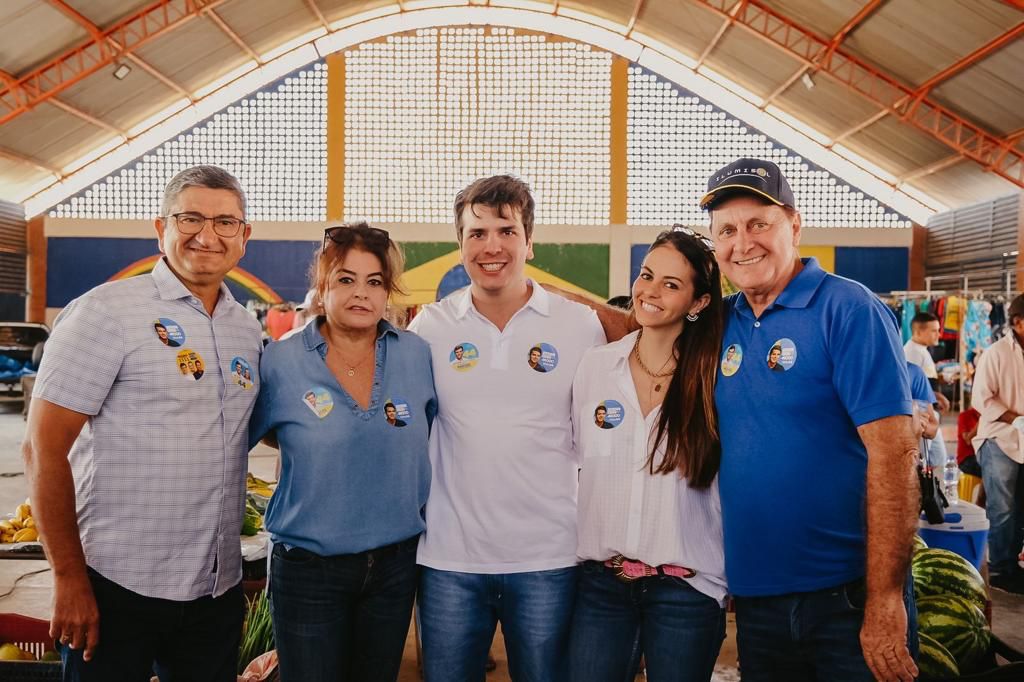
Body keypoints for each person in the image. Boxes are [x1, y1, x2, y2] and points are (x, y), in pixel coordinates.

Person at [22, 165, 261, 680]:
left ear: (244, 236)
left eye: (225, 222)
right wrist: (68, 578)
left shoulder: (245, 328)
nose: (207, 235)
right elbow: (42, 449)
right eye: (190, 218)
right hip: (114, 585)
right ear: (161, 228)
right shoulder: (105, 313)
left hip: (212, 589)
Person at [704, 158, 919, 682]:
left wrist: (886, 597)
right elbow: (636, 322)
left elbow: (896, 454)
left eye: (759, 223)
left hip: (847, 597)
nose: (743, 242)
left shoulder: (849, 310)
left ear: (795, 226)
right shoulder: (718, 325)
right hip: (758, 602)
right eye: (727, 230)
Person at [409, 175, 605, 681]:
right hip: (449, 558)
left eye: (505, 230)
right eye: (476, 233)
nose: (491, 246)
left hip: (549, 557)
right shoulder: (430, 327)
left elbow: (600, 434)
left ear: (528, 241)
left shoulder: (578, 325)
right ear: (459, 245)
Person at [249, 222, 437, 680]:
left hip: (394, 567)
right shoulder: (281, 360)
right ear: (322, 286)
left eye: (374, 282)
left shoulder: (416, 355)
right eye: (345, 280)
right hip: (309, 568)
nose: (361, 294)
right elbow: (257, 434)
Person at [569, 228, 727, 682]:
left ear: (698, 304)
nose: (649, 291)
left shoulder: (715, 379)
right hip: (602, 585)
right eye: (647, 275)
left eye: (671, 285)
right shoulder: (596, 367)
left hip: (687, 589)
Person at [970, 293, 1024, 594]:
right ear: (1018, 323)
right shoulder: (996, 353)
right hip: (999, 438)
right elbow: (982, 398)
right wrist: (1015, 418)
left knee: (1020, 507)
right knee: (1002, 507)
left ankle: (1013, 564)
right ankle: (1001, 570)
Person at [904, 312, 950, 412]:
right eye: (934, 331)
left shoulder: (920, 349)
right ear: (918, 332)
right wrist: (938, 396)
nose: (939, 334)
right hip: (921, 412)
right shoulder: (913, 352)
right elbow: (912, 387)